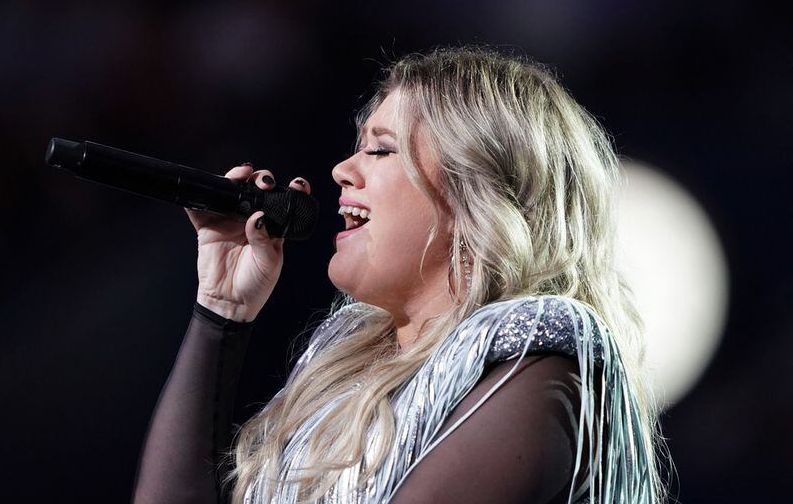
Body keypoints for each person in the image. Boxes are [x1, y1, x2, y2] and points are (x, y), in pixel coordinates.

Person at [132, 47, 667, 504]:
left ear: (478, 191)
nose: (342, 169)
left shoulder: (539, 359)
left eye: (381, 149)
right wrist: (220, 311)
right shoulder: (343, 366)